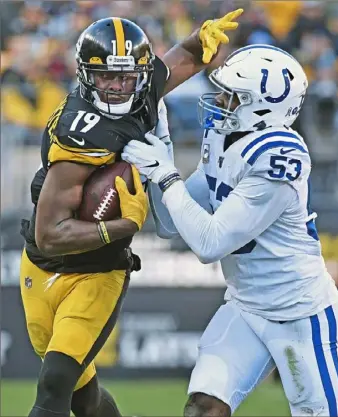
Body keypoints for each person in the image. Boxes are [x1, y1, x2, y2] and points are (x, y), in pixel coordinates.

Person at [19, 10, 244, 417]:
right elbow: (50, 233)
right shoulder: (80, 133)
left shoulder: (140, 93)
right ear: (87, 74)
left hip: (97, 274)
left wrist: (201, 38)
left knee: (53, 385)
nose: (119, 87)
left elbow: (182, 57)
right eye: (107, 76)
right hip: (41, 262)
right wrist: (123, 225)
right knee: (82, 398)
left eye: (126, 77)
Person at [122, 44, 338, 417]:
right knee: (202, 408)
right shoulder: (223, 139)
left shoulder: (279, 155)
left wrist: (166, 174)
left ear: (263, 106)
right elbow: (169, 224)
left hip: (299, 313)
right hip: (246, 306)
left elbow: (210, 243)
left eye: (233, 96)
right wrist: (163, 148)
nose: (221, 100)